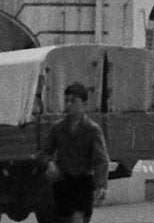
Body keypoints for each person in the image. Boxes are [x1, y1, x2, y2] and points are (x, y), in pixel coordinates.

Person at [38, 83, 110, 223]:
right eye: (67, 101)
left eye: (73, 101)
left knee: (77, 218)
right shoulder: (57, 128)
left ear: (84, 104)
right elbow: (43, 154)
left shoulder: (92, 129)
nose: (69, 104)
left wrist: (101, 184)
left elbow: (101, 160)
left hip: (82, 184)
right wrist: (49, 163)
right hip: (62, 183)